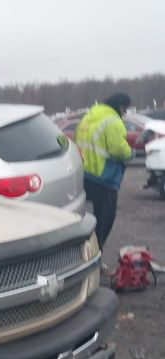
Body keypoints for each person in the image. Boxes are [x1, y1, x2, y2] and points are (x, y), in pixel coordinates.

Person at [74, 93, 134, 250]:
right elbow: (119, 150)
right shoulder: (114, 121)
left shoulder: (89, 116)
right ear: (120, 106)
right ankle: (96, 256)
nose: (124, 113)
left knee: (85, 219)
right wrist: (131, 153)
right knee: (105, 221)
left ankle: (83, 252)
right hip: (104, 178)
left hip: (84, 175)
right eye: (125, 109)